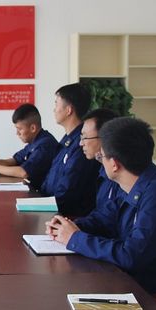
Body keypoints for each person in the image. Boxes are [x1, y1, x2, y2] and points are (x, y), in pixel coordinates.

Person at [46, 117, 156, 295]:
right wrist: (68, 227)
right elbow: (106, 218)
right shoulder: (135, 182)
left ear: (114, 164)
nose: (100, 161)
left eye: (102, 156)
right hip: (148, 278)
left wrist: (76, 239)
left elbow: (130, 256)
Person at [40, 83, 100, 217]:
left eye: (56, 104)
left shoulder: (82, 144)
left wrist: (41, 205)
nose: (54, 109)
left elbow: (68, 193)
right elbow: (50, 178)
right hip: (53, 210)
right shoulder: (67, 140)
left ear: (68, 110)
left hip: (68, 216)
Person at [0, 103, 58, 187]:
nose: (17, 133)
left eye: (19, 129)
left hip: (40, 192)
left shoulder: (45, 144)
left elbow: (24, 172)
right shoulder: (34, 141)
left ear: (33, 128)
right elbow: (16, 160)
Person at [79, 107, 120, 210]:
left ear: (105, 138)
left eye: (85, 137)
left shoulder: (120, 173)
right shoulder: (102, 168)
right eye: (81, 137)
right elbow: (102, 215)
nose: (81, 143)